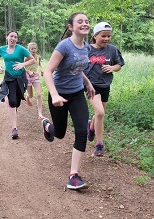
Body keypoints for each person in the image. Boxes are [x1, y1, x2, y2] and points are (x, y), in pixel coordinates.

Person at [41, 12, 95, 190]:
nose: (85, 24)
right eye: (80, 21)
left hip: (77, 94)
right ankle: (47, 126)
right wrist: (55, 95)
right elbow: (48, 71)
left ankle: (73, 176)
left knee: (81, 131)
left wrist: (88, 83)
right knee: (60, 133)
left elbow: (78, 70)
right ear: (71, 27)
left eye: (86, 21)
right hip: (58, 94)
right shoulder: (64, 46)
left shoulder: (86, 47)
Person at [84, 22, 125, 156]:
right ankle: (99, 144)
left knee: (99, 114)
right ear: (95, 36)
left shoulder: (112, 50)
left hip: (105, 85)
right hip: (91, 85)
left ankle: (91, 127)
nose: (106, 39)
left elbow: (119, 64)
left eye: (109, 36)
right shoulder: (86, 49)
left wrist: (112, 68)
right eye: (103, 36)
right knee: (100, 113)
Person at [0, 30, 35, 139]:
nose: (13, 38)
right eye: (11, 36)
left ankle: (17, 106)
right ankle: (14, 128)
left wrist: (22, 64)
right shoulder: (1, 49)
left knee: (17, 102)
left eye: (15, 37)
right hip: (9, 77)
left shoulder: (20, 49)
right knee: (12, 101)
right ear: (7, 37)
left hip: (21, 78)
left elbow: (32, 60)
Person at [25, 42, 45, 120]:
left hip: (35, 76)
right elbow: (22, 67)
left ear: (37, 48)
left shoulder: (38, 57)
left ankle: (40, 113)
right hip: (27, 77)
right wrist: (29, 72)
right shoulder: (26, 57)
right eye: (32, 49)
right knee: (31, 95)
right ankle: (27, 97)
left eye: (35, 48)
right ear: (29, 49)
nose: (33, 50)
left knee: (39, 94)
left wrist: (41, 70)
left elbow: (39, 64)